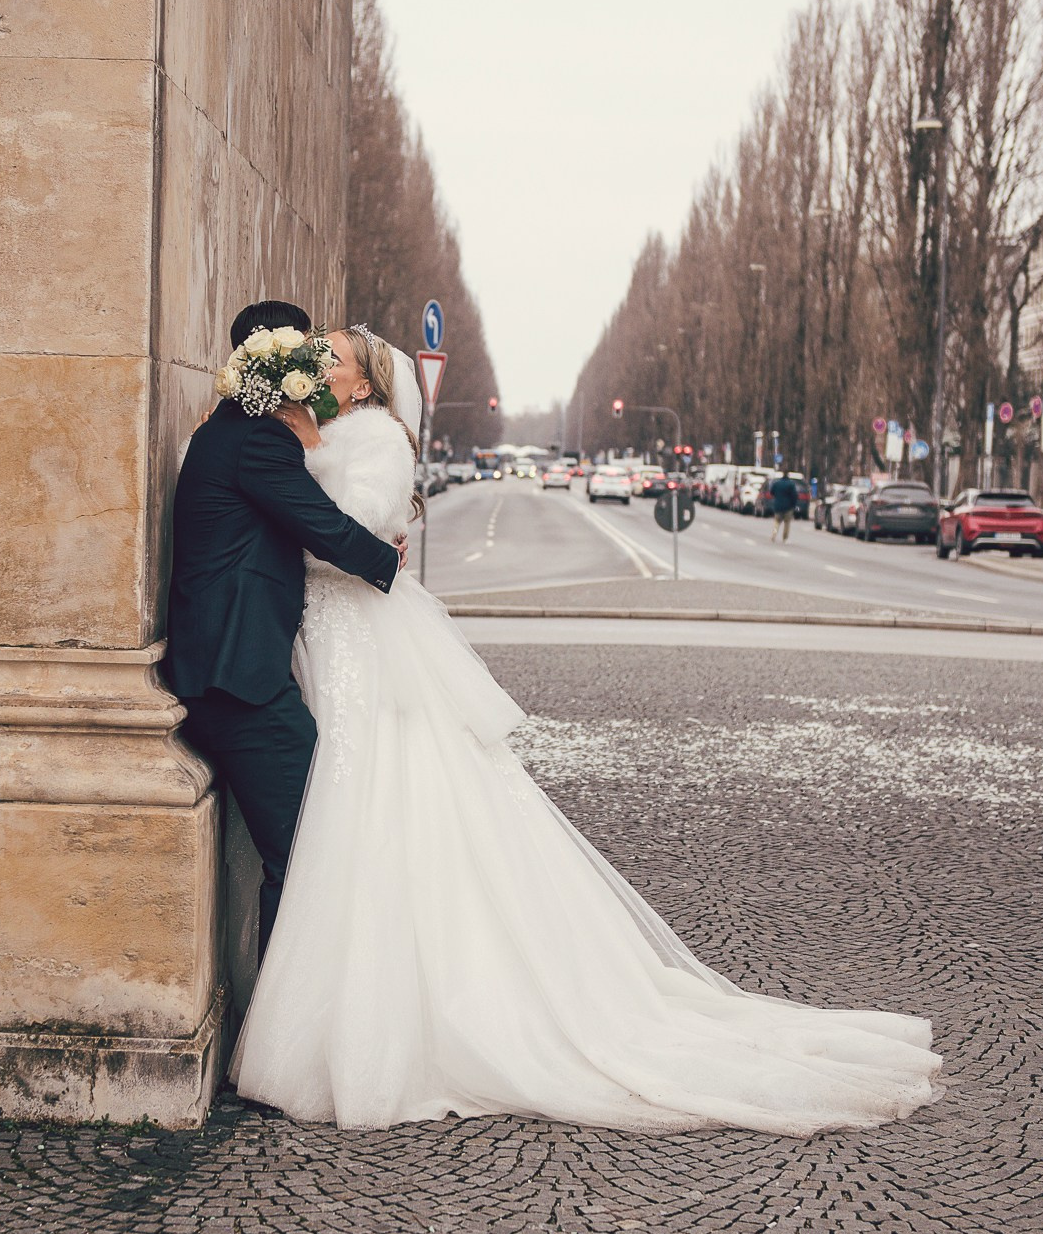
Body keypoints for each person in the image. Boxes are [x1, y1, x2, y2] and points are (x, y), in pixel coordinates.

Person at [230, 327, 941, 1134]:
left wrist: (282, 508)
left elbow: (347, 542)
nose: (318, 367)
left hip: (360, 636)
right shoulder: (330, 432)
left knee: (376, 799)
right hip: (333, 639)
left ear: (365, 386)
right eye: (317, 354)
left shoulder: (376, 440)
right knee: (353, 810)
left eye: (334, 359)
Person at [165, 301, 403, 957]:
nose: (315, 369)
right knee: (306, 856)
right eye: (307, 358)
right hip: (239, 683)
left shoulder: (227, 429)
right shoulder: (257, 438)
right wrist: (389, 560)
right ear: (278, 363)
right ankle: (280, 1029)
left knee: (303, 851)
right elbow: (322, 526)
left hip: (232, 671)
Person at [767, 472, 800, 541]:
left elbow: (771, 492)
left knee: (777, 521)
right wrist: (794, 505)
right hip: (788, 507)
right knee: (787, 523)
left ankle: (774, 534)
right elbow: (794, 496)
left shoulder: (777, 483)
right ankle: (785, 538)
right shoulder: (791, 484)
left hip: (778, 505)